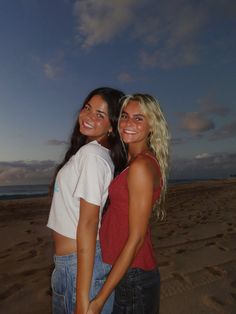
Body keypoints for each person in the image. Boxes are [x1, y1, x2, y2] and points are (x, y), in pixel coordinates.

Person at [87, 93, 169, 314]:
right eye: (125, 116)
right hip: (127, 271)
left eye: (139, 118)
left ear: (152, 125)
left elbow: (137, 238)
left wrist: (99, 300)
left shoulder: (141, 167)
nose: (128, 123)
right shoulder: (133, 162)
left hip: (133, 275)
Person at [47, 87, 126, 314]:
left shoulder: (92, 156)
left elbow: (89, 223)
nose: (89, 116)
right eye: (88, 108)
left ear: (112, 125)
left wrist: (82, 298)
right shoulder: (93, 153)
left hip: (78, 269)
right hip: (72, 266)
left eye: (100, 115)